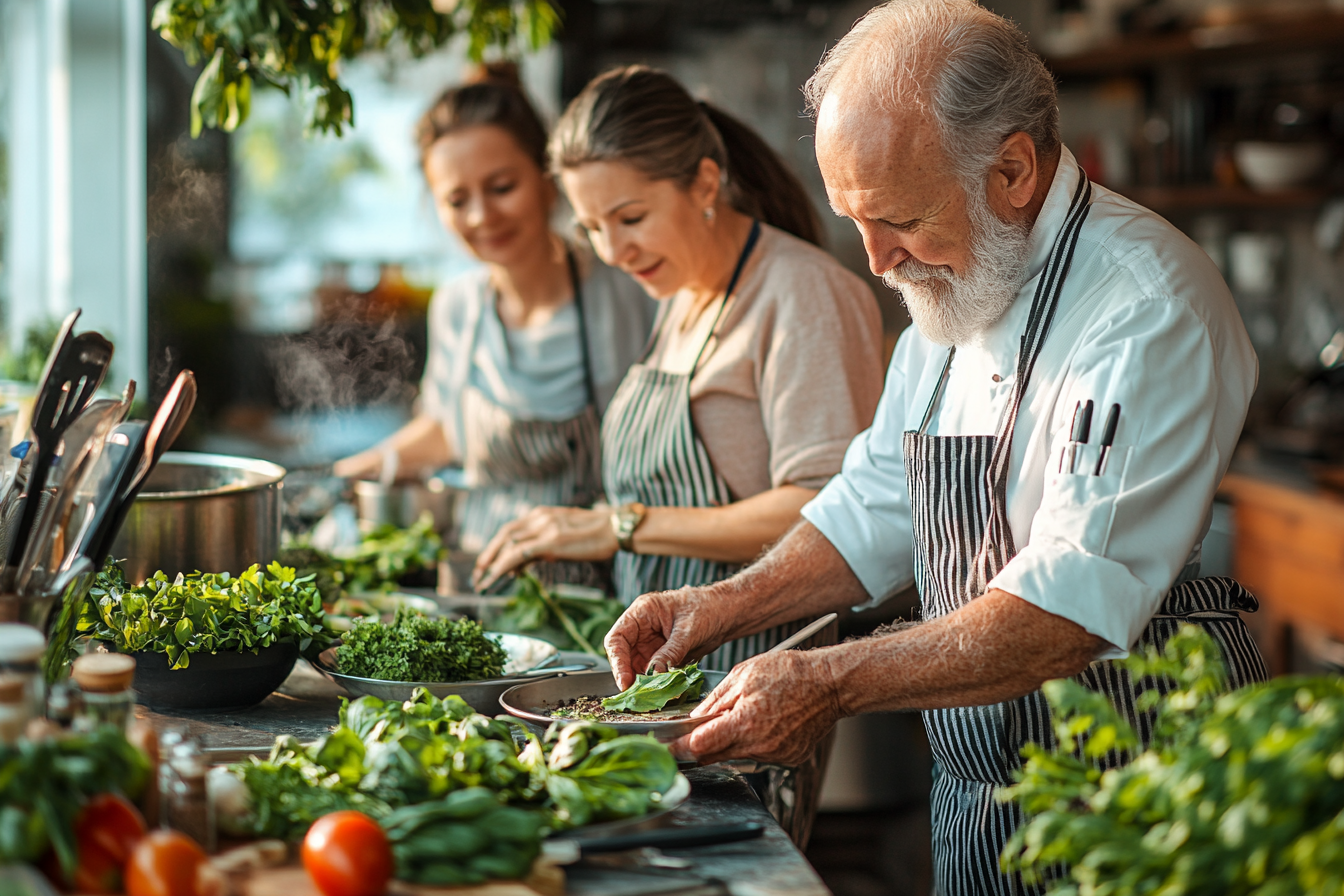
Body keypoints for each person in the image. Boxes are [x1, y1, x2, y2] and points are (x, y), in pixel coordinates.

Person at [601, 3, 1267, 893]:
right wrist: (718, 607)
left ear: (1012, 171)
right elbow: (874, 504)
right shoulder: (953, 283)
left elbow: (1063, 613)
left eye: (899, 219)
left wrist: (828, 682)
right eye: (854, 220)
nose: (877, 260)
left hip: (1135, 793)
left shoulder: (1145, 307)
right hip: (978, 791)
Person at [472, 65, 886, 846]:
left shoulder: (801, 294)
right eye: (592, 228)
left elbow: (827, 508)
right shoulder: (680, 296)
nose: (613, 250)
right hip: (659, 689)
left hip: (748, 689)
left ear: (703, 182)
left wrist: (618, 526)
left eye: (630, 217)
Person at [334, 68, 654, 573]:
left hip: (603, 587)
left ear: (548, 179)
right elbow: (447, 428)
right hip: (480, 577)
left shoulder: (627, 290)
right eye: (457, 200)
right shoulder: (457, 305)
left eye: (502, 187)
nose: (482, 216)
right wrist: (363, 468)